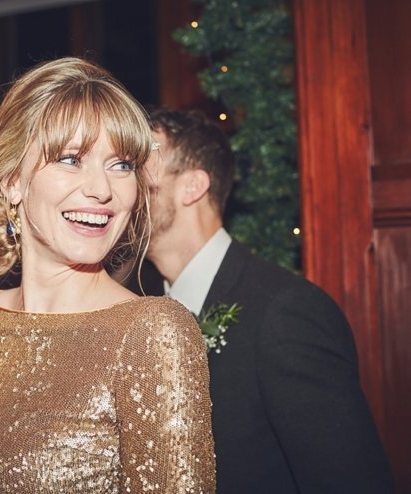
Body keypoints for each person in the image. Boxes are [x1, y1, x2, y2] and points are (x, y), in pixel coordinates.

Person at [0, 57, 215, 493]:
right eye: (71, 159)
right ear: (12, 181)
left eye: (121, 165)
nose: (103, 189)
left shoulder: (150, 331)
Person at [125, 107, 393, 493]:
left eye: (141, 167)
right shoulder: (138, 307)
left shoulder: (285, 313)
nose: (123, 186)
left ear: (192, 187)